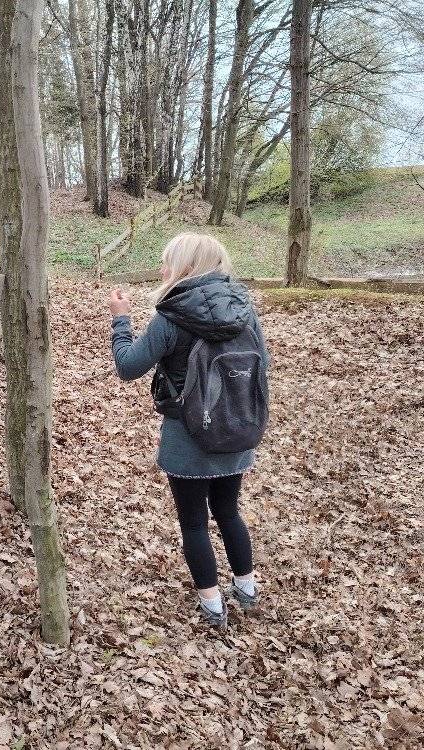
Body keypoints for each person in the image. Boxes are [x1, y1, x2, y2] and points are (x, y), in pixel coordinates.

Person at [108, 233, 268, 628]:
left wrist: (120, 320)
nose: (162, 270)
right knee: (229, 511)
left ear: (185, 266)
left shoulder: (172, 315)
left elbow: (128, 366)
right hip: (235, 429)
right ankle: (246, 588)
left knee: (194, 522)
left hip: (187, 436)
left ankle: (212, 605)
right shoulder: (244, 309)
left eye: (167, 262)